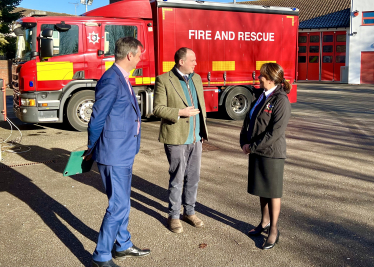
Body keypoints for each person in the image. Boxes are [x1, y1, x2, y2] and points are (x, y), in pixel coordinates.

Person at [85, 37, 150, 267]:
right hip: (113, 153)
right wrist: (91, 148)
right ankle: (101, 255)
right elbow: (97, 119)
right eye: (139, 54)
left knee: (123, 201)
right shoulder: (112, 79)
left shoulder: (121, 77)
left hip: (124, 150)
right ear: (130, 55)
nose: (141, 57)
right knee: (118, 205)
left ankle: (122, 244)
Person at [153, 47, 209, 234]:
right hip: (176, 138)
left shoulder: (197, 78)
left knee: (193, 178)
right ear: (181, 62)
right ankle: (174, 215)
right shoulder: (163, 80)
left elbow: (201, 105)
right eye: (192, 60)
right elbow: (158, 109)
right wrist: (180, 112)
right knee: (177, 179)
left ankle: (190, 212)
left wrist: (201, 131)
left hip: (196, 138)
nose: (195, 63)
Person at [240, 63, 291, 250]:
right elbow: (249, 120)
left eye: (262, 75)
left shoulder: (281, 100)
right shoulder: (261, 95)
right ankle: (264, 223)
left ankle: (274, 230)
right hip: (257, 150)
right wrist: (243, 141)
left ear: (270, 78)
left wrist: (252, 146)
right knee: (262, 190)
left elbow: (276, 132)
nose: (259, 77)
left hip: (271, 153)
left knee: (273, 192)